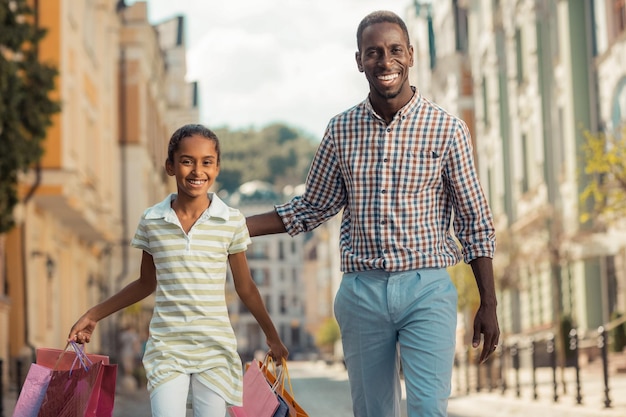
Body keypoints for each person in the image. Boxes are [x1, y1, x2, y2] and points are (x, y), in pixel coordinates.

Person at [246, 10, 499, 417]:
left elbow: (474, 222)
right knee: (372, 412)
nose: (385, 61)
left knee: (428, 409)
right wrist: (234, 227)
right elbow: (311, 207)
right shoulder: (340, 130)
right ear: (360, 60)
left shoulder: (447, 129)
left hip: (427, 288)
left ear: (411, 55)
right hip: (361, 293)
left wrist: (488, 303)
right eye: (373, 52)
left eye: (394, 50)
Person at [68, 124, 289, 417]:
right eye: (187, 161)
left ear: (217, 167)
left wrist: (271, 336)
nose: (198, 170)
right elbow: (145, 284)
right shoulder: (152, 220)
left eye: (207, 162)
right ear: (170, 166)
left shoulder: (231, 221)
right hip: (167, 348)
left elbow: (245, 286)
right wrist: (93, 315)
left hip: (215, 350)